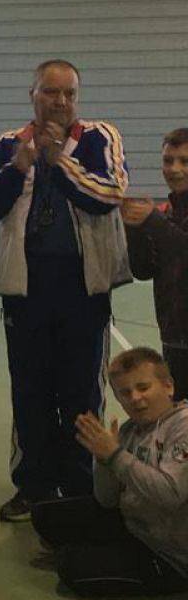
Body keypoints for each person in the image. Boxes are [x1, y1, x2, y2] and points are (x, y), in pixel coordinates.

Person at [0, 59, 130, 522]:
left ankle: (80, 489)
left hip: (83, 289)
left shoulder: (100, 138)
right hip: (26, 290)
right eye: (50, 92)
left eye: (69, 94)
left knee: (82, 395)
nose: (60, 102)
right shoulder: (5, 145)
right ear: (32, 94)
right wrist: (19, 167)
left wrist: (59, 160)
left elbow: (109, 195)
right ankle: (34, 487)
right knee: (30, 392)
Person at [30, 347, 188, 597]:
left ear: (168, 386)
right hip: (138, 524)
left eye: (143, 387)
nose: (135, 398)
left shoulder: (183, 427)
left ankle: (161, 574)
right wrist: (103, 461)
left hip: (173, 553)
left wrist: (115, 455)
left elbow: (170, 493)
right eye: (125, 393)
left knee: (73, 568)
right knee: (44, 514)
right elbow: (107, 500)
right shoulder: (129, 430)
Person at [121, 128, 188, 398]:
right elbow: (143, 270)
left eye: (184, 161)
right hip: (173, 338)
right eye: (168, 160)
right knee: (178, 415)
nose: (175, 169)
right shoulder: (165, 213)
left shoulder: (159, 219)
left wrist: (152, 221)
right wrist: (135, 230)